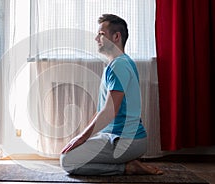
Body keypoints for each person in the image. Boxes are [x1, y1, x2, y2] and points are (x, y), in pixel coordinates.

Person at [60, 14, 163, 175]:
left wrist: (81, 138)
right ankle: (128, 162)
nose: (96, 38)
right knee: (72, 151)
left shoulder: (119, 66)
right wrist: (82, 136)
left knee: (67, 161)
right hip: (117, 138)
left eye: (101, 34)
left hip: (125, 141)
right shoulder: (119, 63)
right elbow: (102, 110)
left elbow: (109, 111)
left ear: (116, 36)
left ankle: (126, 167)